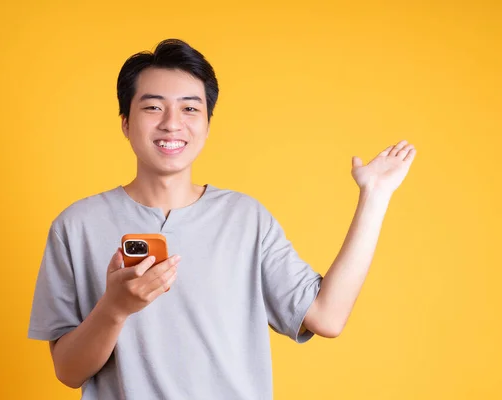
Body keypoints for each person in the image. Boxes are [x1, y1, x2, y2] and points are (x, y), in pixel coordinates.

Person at [27, 38, 417, 400]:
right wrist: (114, 308)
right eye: (152, 106)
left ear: (208, 125)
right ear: (126, 123)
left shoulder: (246, 219)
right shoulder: (75, 226)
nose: (172, 122)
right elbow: (68, 370)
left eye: (190, 108)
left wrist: (375, 197)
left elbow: (326, 317)